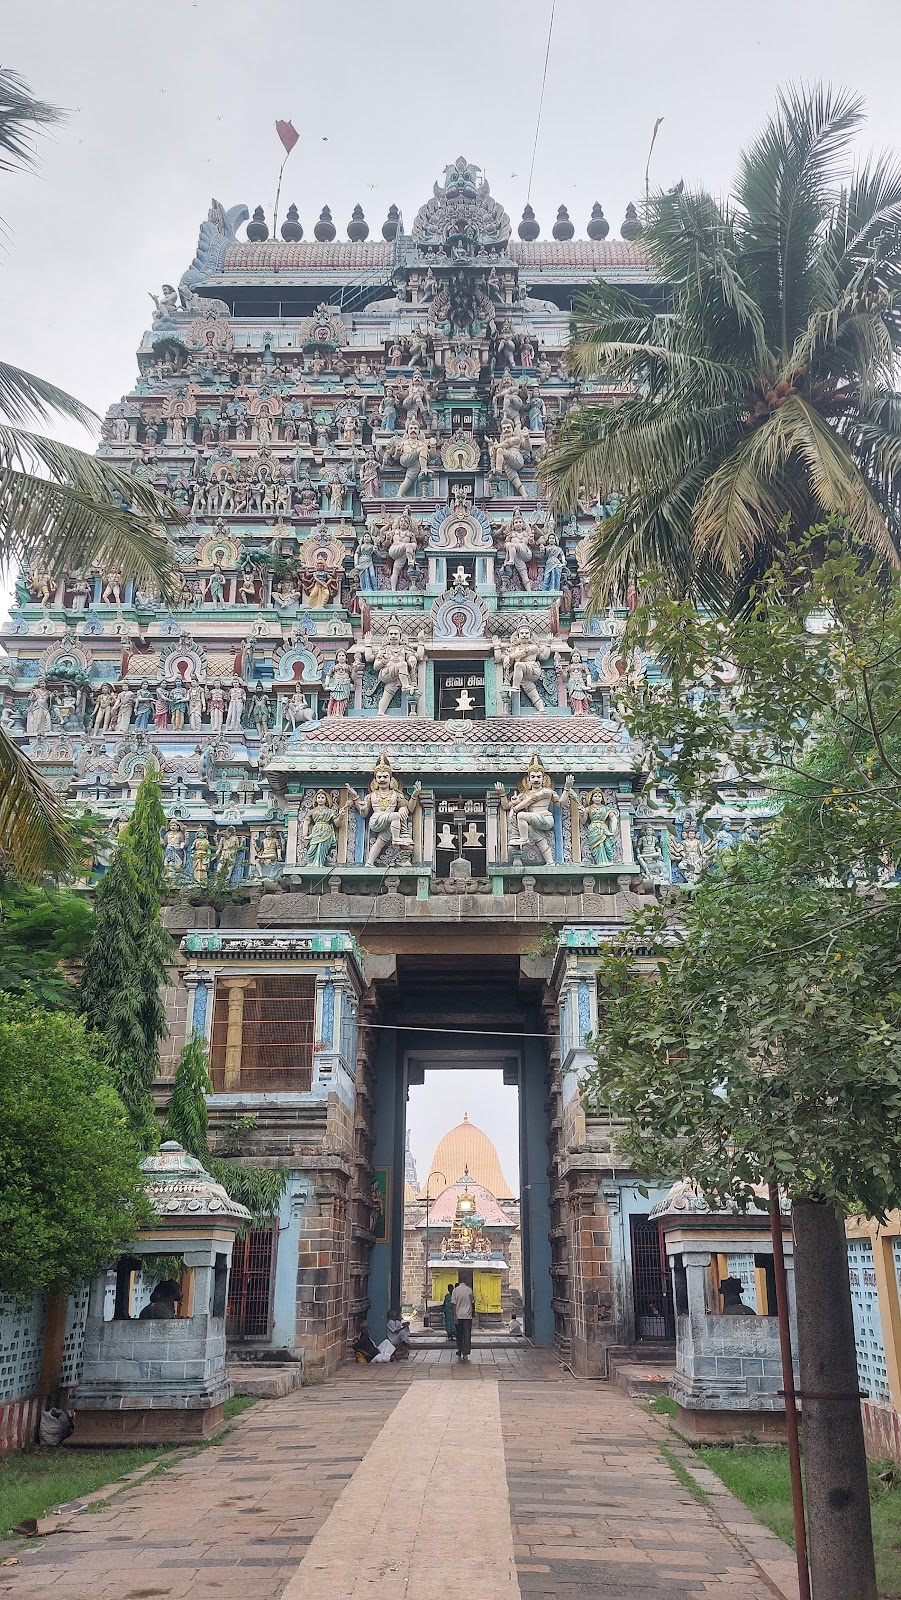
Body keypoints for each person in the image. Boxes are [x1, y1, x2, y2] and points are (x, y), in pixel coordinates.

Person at [451, 1276, 475, 1361]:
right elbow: (472, 1302)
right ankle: (466, 1352)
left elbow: (453, 1304)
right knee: (467, 1334)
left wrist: (455, 1315)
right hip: (467, 1316)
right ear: (465, 1281)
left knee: (459, 1334)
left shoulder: (455, 1290)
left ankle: (460, 1350)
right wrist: (473, 1313)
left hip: (459, 1315)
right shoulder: (469, 1290)